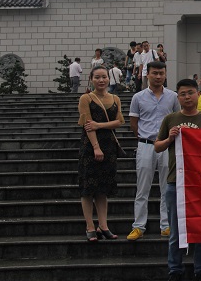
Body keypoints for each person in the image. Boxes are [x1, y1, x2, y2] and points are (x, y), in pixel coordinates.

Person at [154, 79, 201, 281]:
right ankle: (175, 269)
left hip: (200, 182)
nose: (187, 97)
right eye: (182, 94)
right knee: (175, 229)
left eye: (190, 93)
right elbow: (157, 146)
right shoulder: (171, 119)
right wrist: (170, 139)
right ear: (178, 97)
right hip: (175, 181)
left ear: (198, 94)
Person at [127, 61, 181, 241]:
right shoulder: (138, 97)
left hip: (166, 145)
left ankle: (166, 225)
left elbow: (177, 118)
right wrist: (144, 138)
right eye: (155, 73)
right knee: (142, 188)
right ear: (147, 74)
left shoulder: (173, 97)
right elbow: (134, 123)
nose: (158, 76)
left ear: (165, 74)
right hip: (146, 144)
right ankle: (138, 226)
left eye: (161, 73)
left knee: (167, 187)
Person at [78, 65, 125, 242]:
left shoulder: (115, 98)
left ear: (109, 78)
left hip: (109, 147)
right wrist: (96, 147)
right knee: (88, 188)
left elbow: (119, 121)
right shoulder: (86, 98)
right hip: (90, 147)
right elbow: (87, 125)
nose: (101, 80)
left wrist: (99, 125)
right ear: (91, 79)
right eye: (97, 77)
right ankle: (90, 226)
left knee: (103, 189)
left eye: (104, 77)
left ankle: (103, 226)